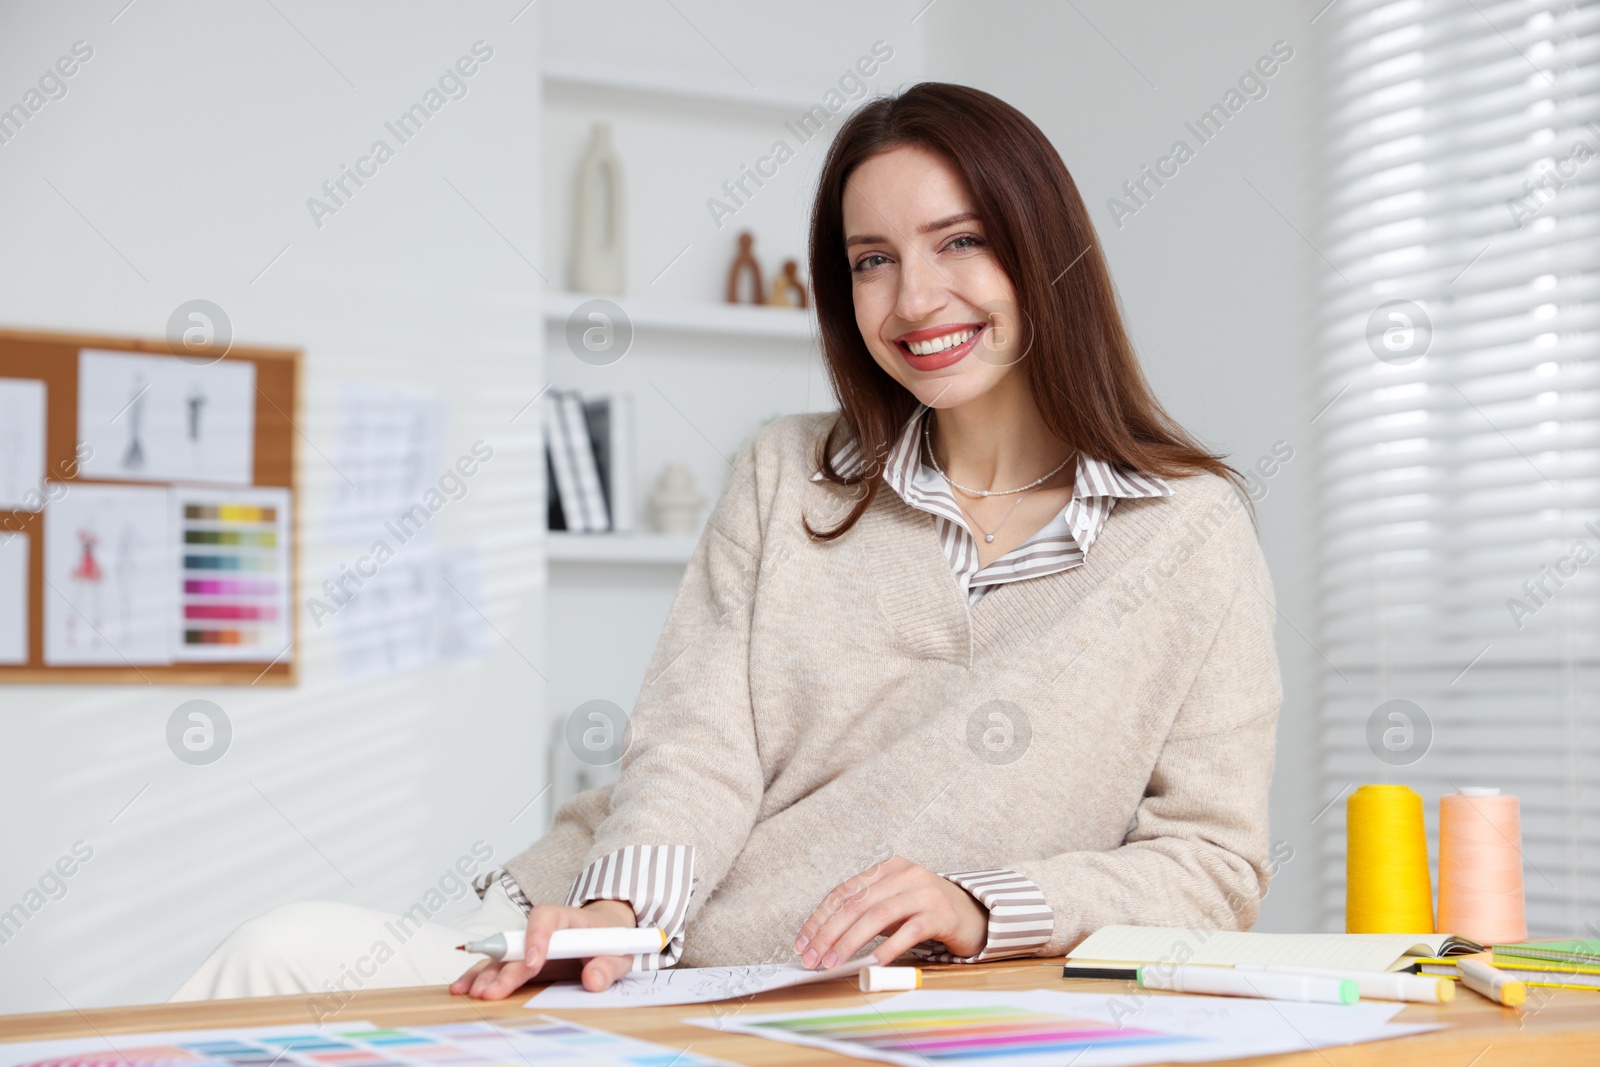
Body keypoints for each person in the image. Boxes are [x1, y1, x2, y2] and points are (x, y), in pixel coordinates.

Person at [171, 81, 1280, 1006]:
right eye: (871, 260)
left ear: (1044, 252)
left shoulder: (1186, 532)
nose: (914, 297)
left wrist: (981, 901)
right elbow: (697, 747)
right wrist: (620, 915)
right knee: (278, 952)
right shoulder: (787, 472)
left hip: (857, 997)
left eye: (960, 242)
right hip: (628, 946)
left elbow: (1213, 864)